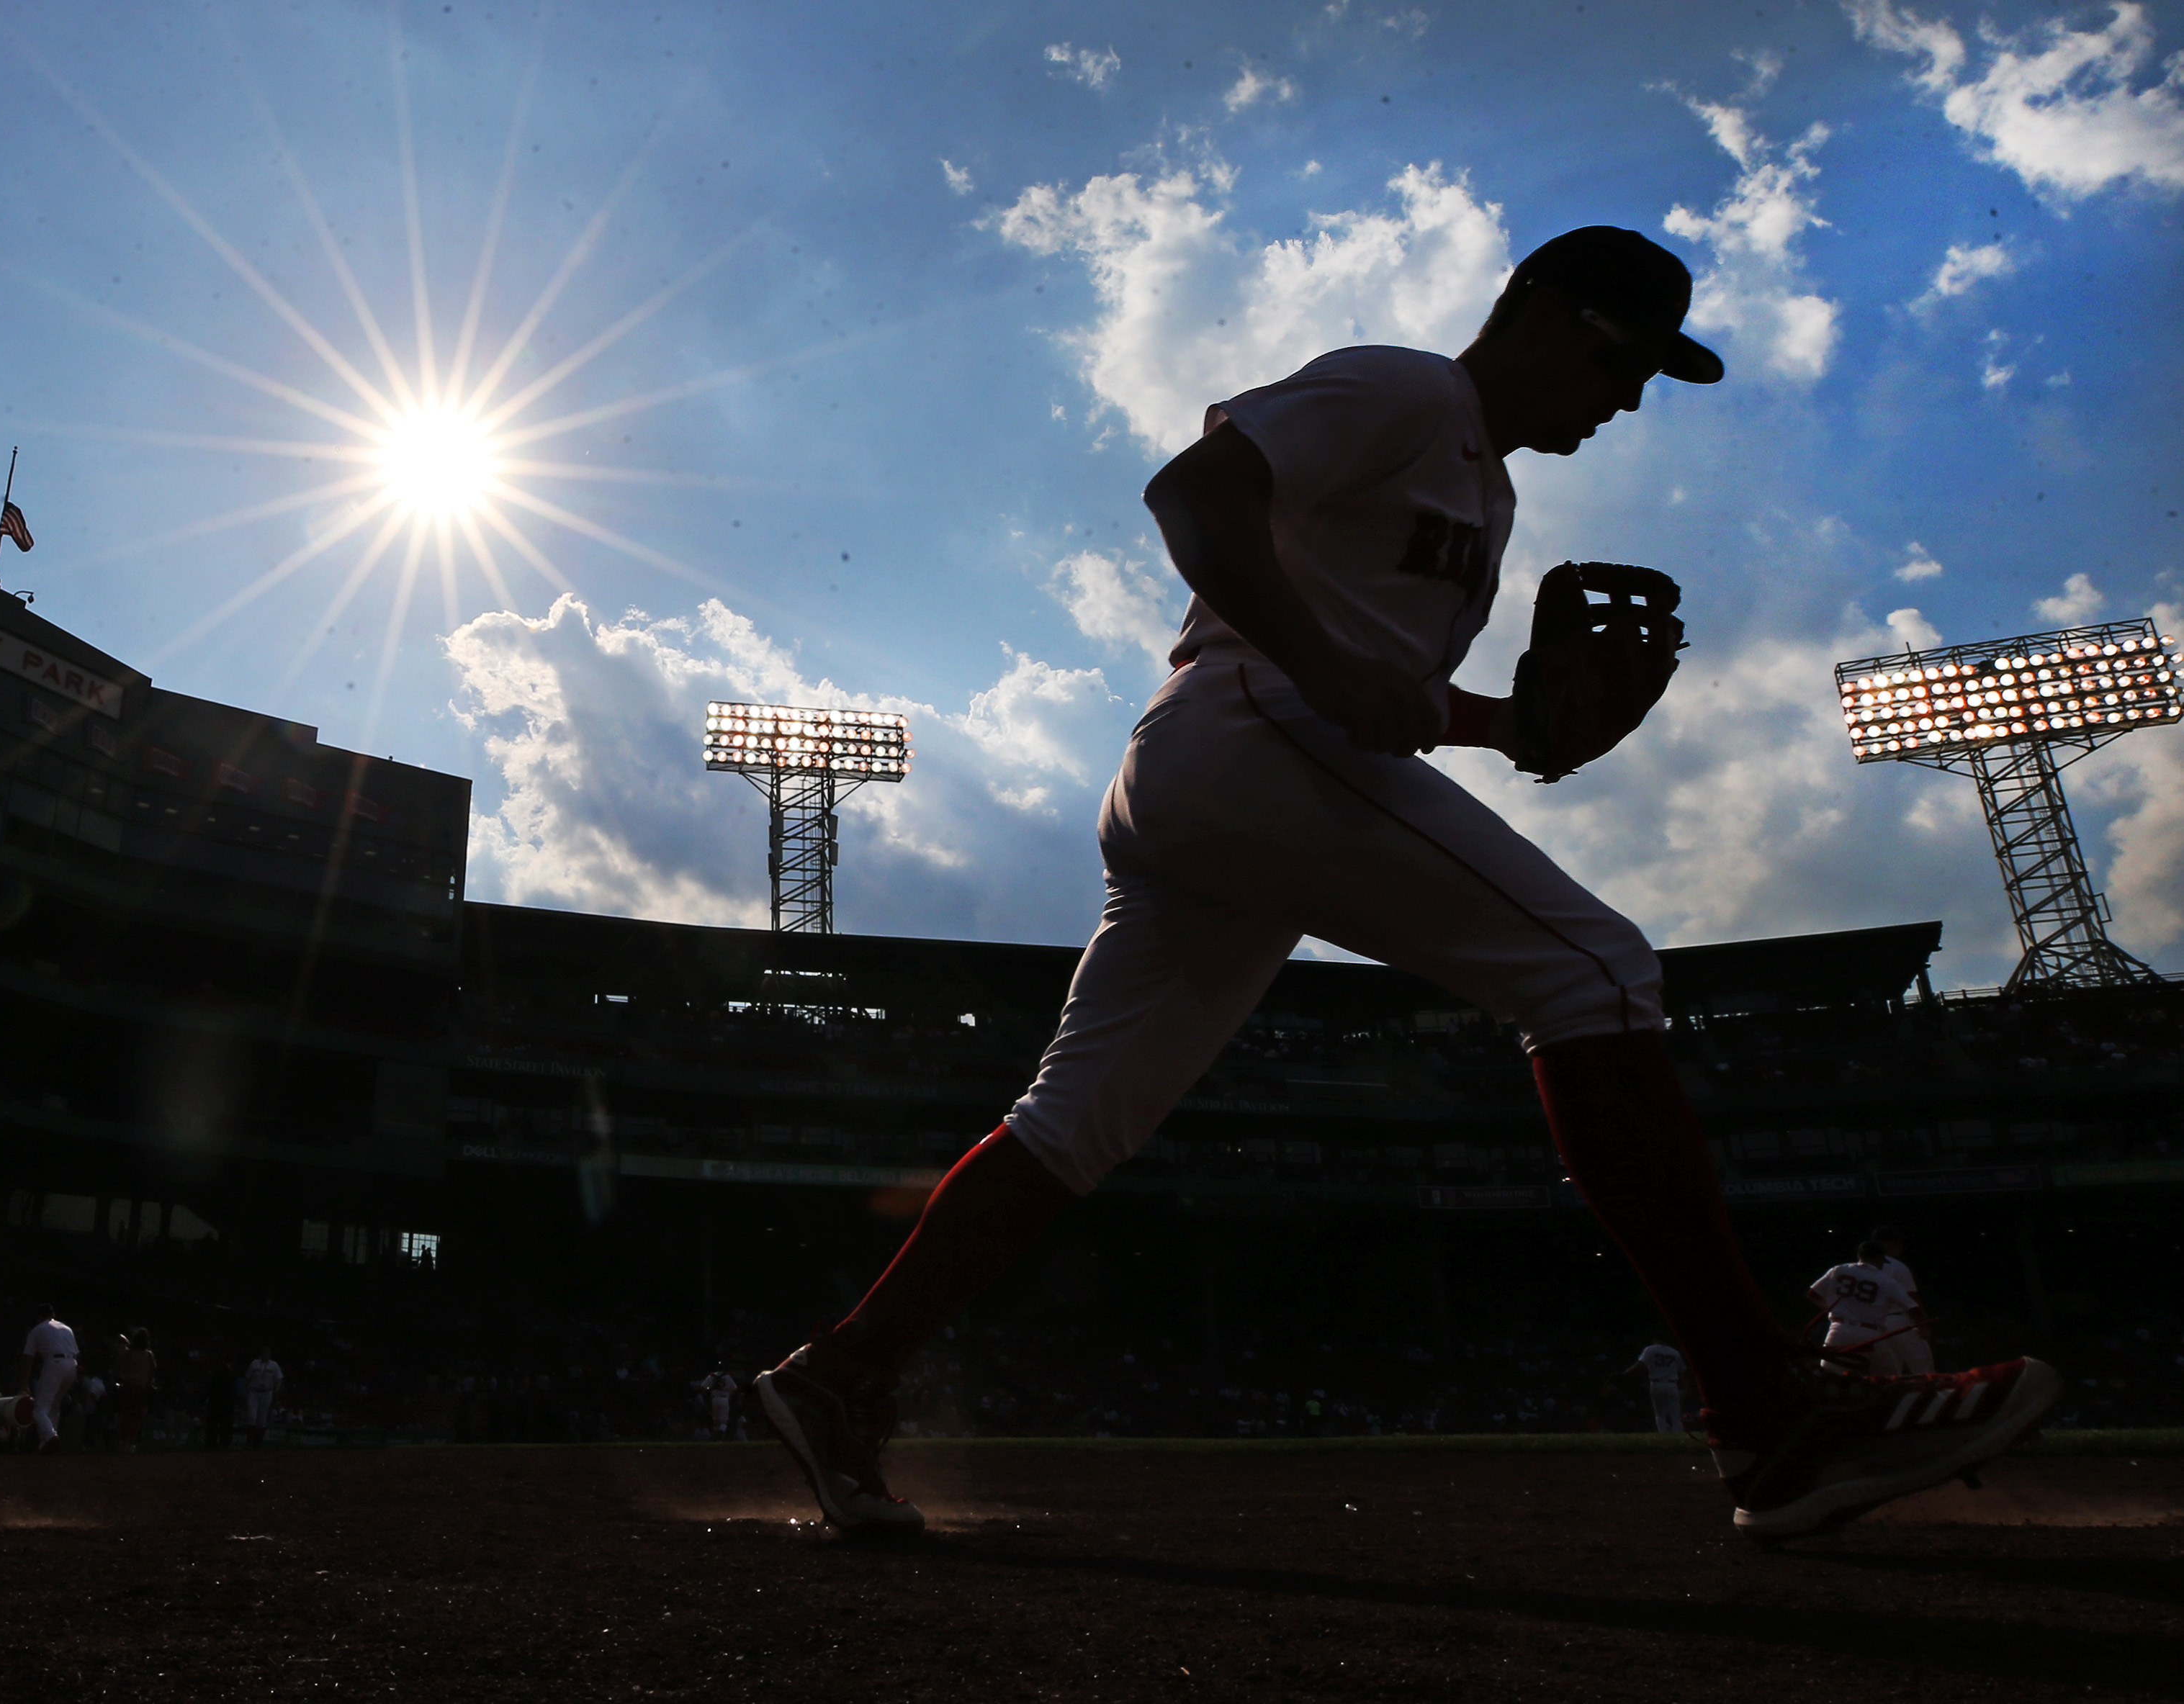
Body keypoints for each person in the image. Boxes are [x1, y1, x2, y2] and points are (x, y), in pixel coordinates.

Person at [750, 225, 2058, 1541]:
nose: (1628, 399)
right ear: (1542, 313)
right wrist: (1317, 658)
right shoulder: (1408, 389)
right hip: (1244, 728)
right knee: (1593, 971)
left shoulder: (1487, 494)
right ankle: (1772, 1418)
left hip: (1232, 776)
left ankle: (840, 1373)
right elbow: (1191, 493)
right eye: (1623, 360)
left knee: (1076, 1119)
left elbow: (1382, 693)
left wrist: (1515, 730)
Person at [1808, 1240, 1925, 1377]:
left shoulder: (1839, 1270)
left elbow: (1813, 1294)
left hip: (1838, 1331)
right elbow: (1914, 1309)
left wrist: (1830, 1309)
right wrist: (1921, 1328)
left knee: (1827, 1377)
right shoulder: (1886, 1281)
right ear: (1881, 1258)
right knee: (1889, 1379)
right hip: (1870, 1336)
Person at [1871, 1224, 1936, 1375]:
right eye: (1897, 1242)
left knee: (1890, 1374)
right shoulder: (1897, 1266)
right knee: (1924, 1370)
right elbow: (1911, 1298)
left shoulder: (1857, 1268)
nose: (1901, 1246)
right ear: (1885, 1244)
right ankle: (1928, 1397)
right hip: (1899, 1322)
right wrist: (1922, 1324)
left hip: (1872, 1324)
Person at [19, 1303, 80, 1453]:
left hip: (55, 1363)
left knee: (39, 1410)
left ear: (39, 1317)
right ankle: (45, 1445)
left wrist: (23, 1384)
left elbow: (28, 1359)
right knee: (54, 1407)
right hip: (72, 1365)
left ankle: (51, 1437)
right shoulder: (66, 1328)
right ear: (52, 1315)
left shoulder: (37, 1330)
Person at [1622, 1340, 1690, 1433]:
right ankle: (1678, 1434)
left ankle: (1664, 1434)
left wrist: (1626, 1372)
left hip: (1656, 1383)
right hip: (1672, 1384)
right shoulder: (1674, 1352)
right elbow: (1683, 1370)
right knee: (1675, 1415)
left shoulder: (1650, 1349)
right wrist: (1686, 1386)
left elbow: (1641, 1364)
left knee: (1660, 1414)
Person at [115, 1328, 156, 1452]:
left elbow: (120, 1366)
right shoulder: (149, 1355)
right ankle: (131, 1442)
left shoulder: (129, 1354)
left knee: (126, 1416)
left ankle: (123, 1442)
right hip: (142, 1389)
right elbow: (152, 1372)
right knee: (137, 1418)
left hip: (128, 1387)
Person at [241, 1348, 284, 1448]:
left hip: (267, 1392)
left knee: (262, 1418)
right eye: (265, 1353)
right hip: (254, 1391)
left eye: (268, 1353)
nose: (266, 1355)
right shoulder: (254, 1363)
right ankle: (249, 1441)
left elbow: (279, 1379)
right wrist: (246, 1390)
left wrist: (277, 1390)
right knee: (252, 1416)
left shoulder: (274, 1365)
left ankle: (258, 1442)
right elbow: (247, 1377)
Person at [696, 1366, 739, 1441]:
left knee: (716, 1421)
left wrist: (709, 1390)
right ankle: (720, 1433)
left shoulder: (712, 1376)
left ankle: (718, 1438)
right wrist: (730, 1395)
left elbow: (703, 1387)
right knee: (724, 1422)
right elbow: (735, 1388)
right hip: (724, 1398)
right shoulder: (727, 1377)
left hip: (714, 1399)